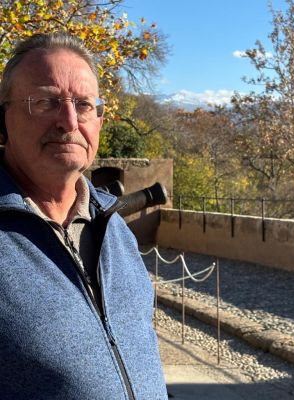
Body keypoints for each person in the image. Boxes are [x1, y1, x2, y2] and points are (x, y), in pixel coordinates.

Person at [0, 32, 168, 400]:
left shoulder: (114, 227)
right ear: (4, 119)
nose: (69, 121)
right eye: (46, 102)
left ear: (99, 122)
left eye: (84, 105)